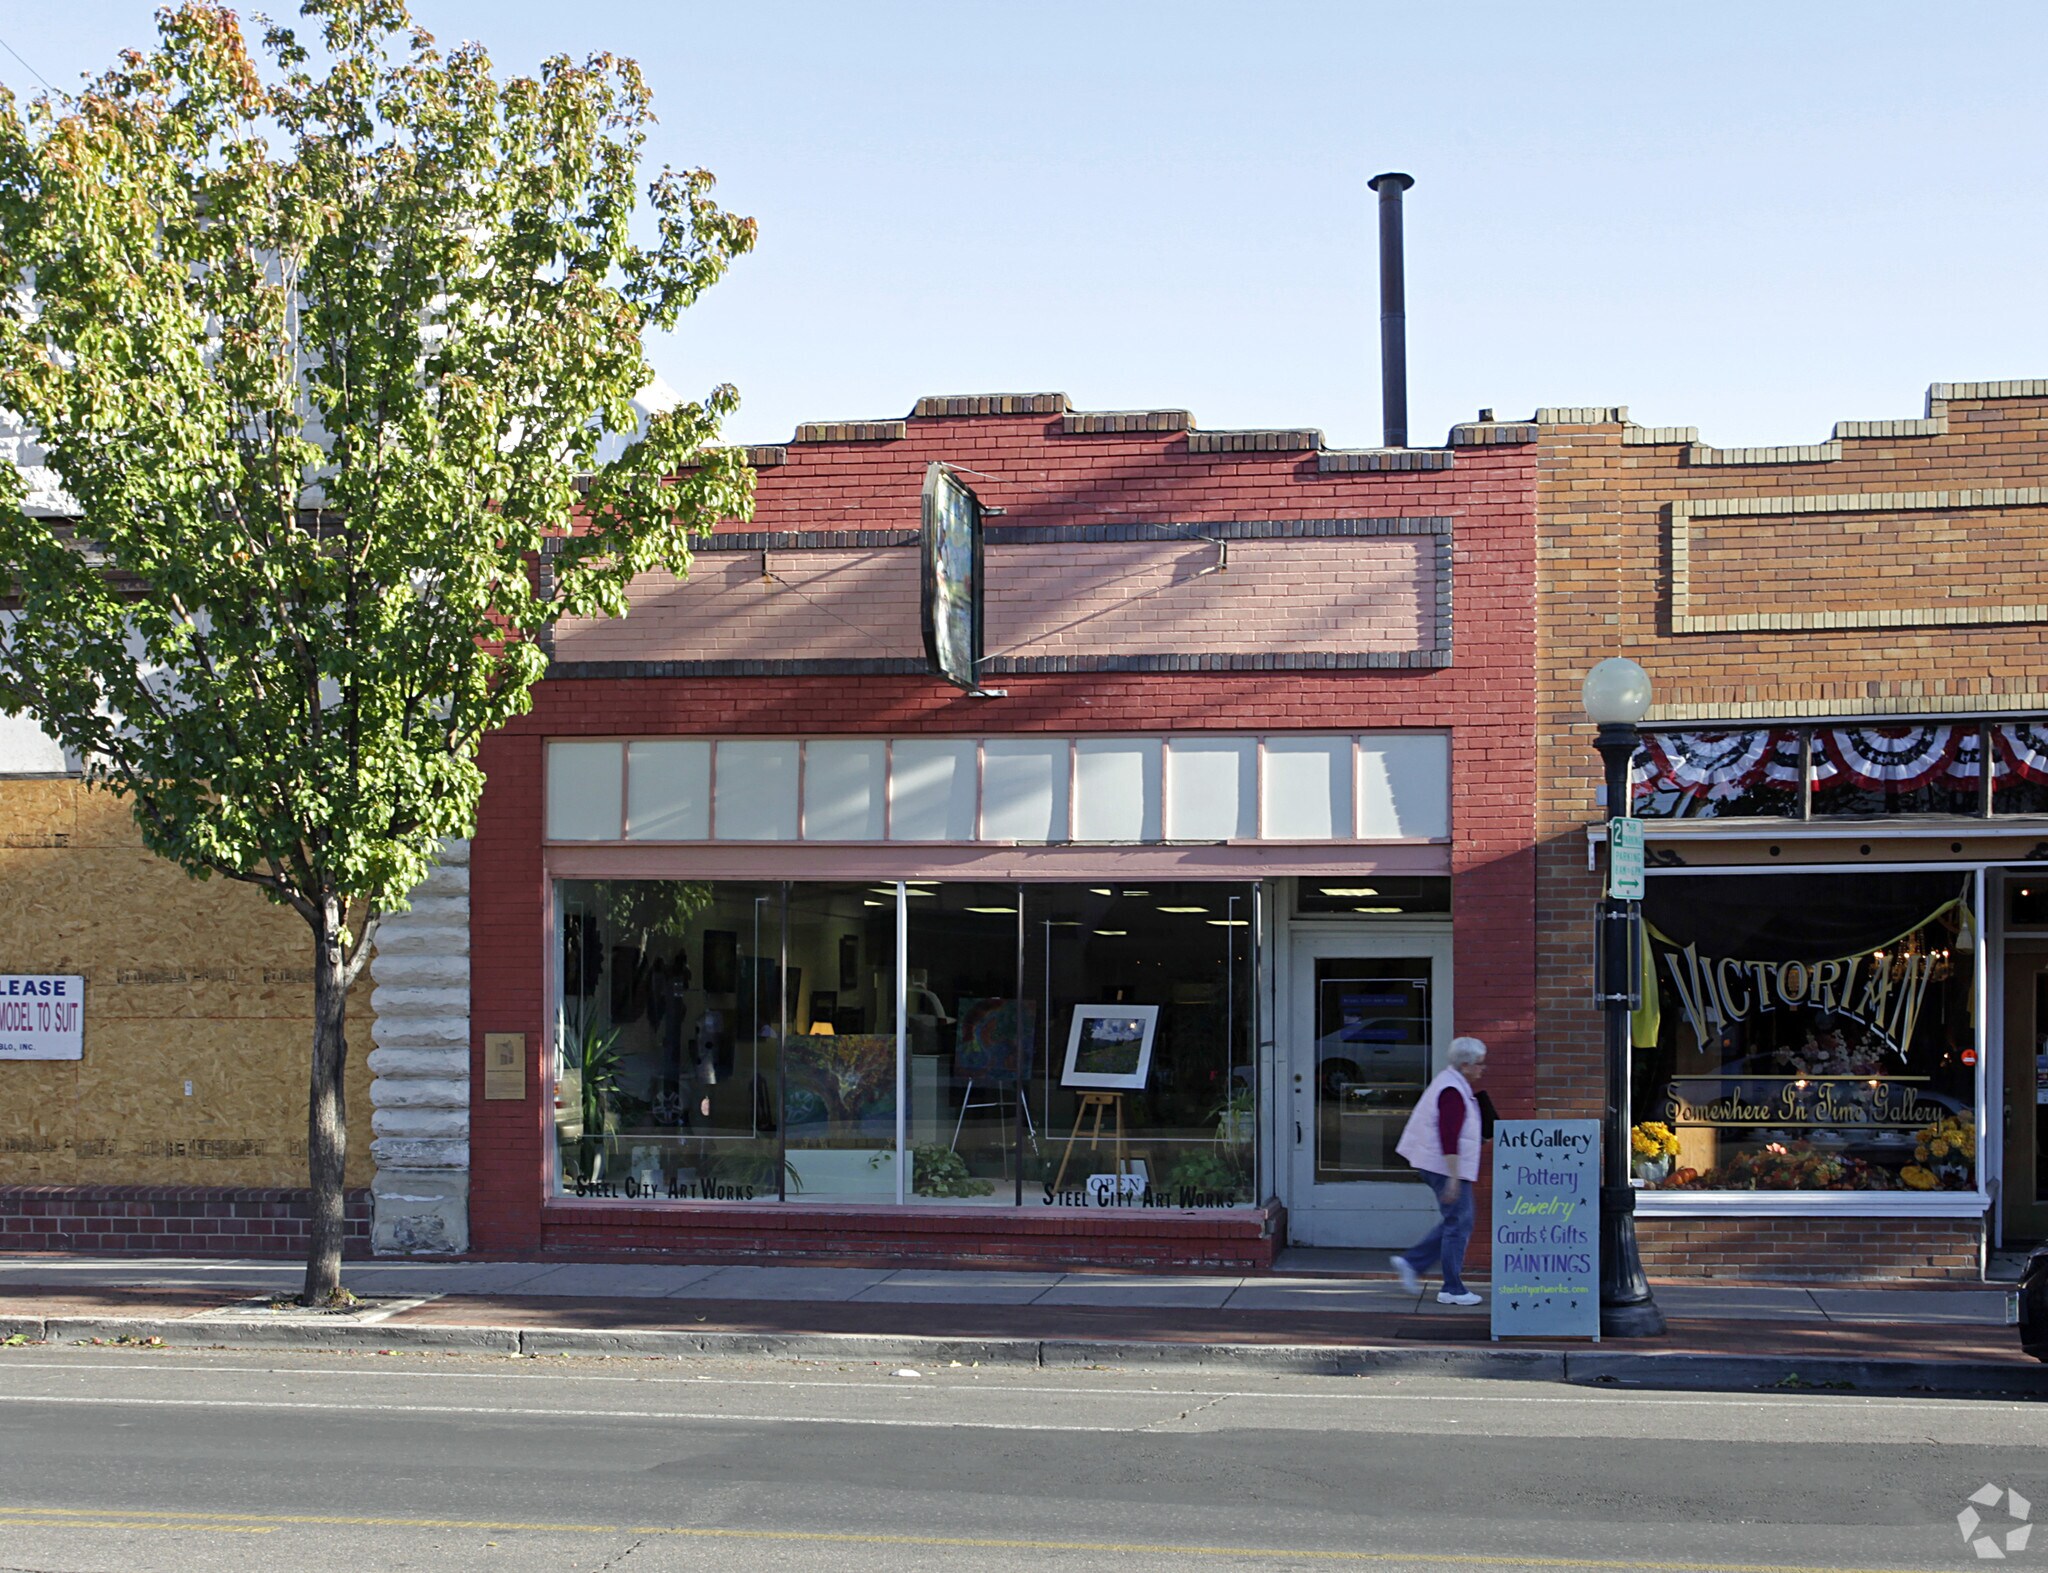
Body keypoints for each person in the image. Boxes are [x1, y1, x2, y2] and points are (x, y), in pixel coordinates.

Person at [1390, 1036, 1488, 1307]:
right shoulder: (1452, 1091)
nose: (1483, 1069)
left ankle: (1413, 1262)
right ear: (1466, 1065)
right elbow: (1449, 1136)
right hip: (1444, 1165)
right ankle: (1452, 1289)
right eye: (1479, 1064)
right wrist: (1454, 1177)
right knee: (1459, 1222)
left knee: (1457, 1221)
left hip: (1438, 1163)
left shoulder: (1451, 1084)